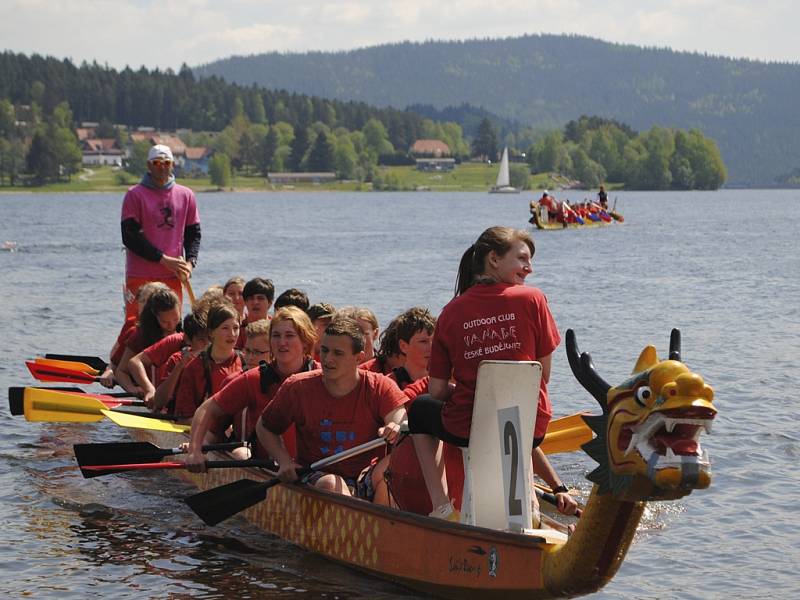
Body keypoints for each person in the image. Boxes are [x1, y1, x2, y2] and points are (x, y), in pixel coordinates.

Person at [408, 226, 577, 523]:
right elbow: (543, 375)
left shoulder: (450, 312)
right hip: (529, 425)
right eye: (523, 259)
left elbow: (435, 392)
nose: (530, 268)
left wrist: (467, 392)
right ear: (494, 259)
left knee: (421, 409)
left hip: (470, 426)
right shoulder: (534, 299)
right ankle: (528, 511)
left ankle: (442, 507)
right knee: (516, 415)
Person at [255, 316, 407, 498]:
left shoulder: (380, 386)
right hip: (315, 475)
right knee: (331, 483)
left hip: (363, 476)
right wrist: (284, 461)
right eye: (325, 350)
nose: (327, 359)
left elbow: (400, 419)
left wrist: (395, 426)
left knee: (390, 471)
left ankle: (385, 523)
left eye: (338, 353)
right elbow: (264, 427)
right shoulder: (298, 386)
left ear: (358, 358)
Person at [182, 307, 319, 465]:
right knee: (241, 454)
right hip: (268, 467)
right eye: (276, 336)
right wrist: (195, 449)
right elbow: (206, 409)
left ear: (306, 341)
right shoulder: (254, 378)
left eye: (289, 336)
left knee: (328, 483)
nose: (281, 342)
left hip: (314, 469)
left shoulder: (322, 375)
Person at [120, 144, 201, 320]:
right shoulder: (135, 195)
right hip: (140, 276)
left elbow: (193, 233)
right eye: (156, 163)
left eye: (166, 162)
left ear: (172, 165)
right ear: (149, 166)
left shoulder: (186, 195)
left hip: (172, 276)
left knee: (171, 326)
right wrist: (162, 259)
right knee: (136, 326)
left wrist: (189, 263)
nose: (162, 166)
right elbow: (130, 236)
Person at [174, 301, 243, 419]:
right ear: (211, 333)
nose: (232, 334)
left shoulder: (245, 362)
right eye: (225, 328)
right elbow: (185, 417)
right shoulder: (194, 368)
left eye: (236, 328)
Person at [114, 288, 182, 396]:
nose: (171, 325)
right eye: (165, 322)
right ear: (154, 316)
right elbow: (121, 372)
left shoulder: (185, 332)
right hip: (148, 396)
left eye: (175, 319)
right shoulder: (141, 336)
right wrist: (133, 389)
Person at [237, 277, 275, 348]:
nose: (255, 302)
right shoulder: (237, 330)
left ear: (269, 303)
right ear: (245, 302)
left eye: (260, 298)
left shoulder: (276, 328)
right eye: (251, 298)